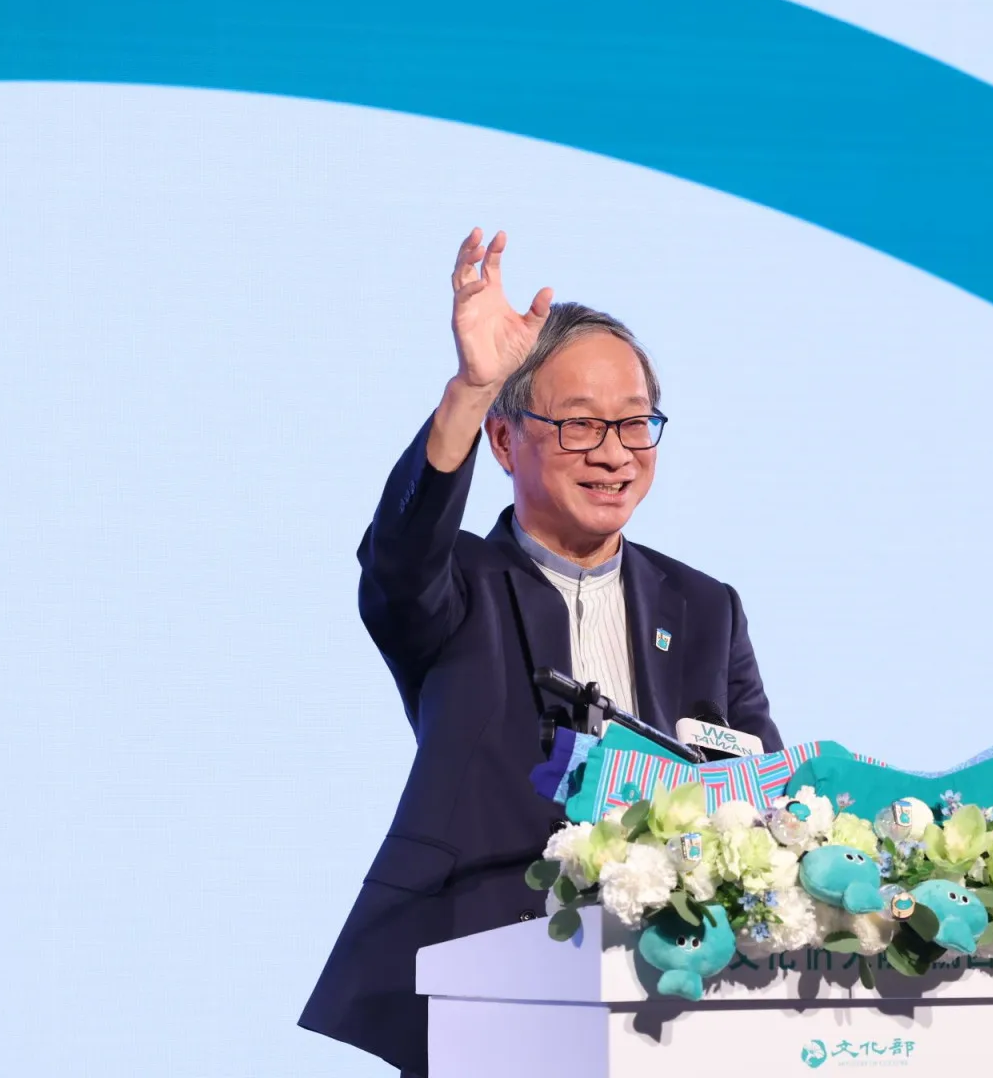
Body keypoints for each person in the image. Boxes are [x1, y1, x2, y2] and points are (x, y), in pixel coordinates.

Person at [298, 229, 783, 1075]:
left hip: (673, 995)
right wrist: (470, 389)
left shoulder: (706, 608)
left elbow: (766, 795)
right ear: (502, 441)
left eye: (634, 424)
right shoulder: (457, 587)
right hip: (487, 975)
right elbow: (400, 557)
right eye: (581, 425)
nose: (614, 452)